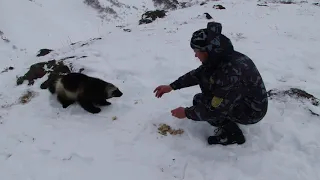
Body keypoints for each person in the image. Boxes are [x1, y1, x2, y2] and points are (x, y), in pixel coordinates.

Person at [153, 21, 268, 146]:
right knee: (200, 100)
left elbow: (216, 110)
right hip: (241, 99)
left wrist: (186, 113)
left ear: (207, 51)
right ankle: (229, 121)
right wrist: (171, 86)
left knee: (205, 105)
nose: (195, 55)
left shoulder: (230, 72)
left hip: (252, 111)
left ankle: (234, 136)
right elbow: (198, 74)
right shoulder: (220, 56)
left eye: (197, 51)